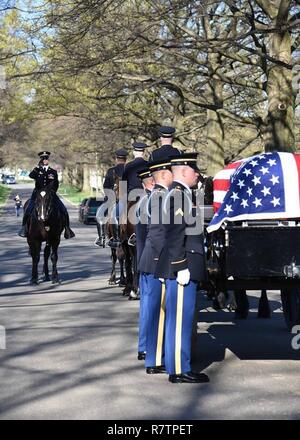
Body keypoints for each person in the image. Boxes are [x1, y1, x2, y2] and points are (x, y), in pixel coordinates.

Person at [155, 153, 209, 384]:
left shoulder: (183, 194)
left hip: (184, 262)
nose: (198, 174)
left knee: (180, 319)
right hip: (182, 265)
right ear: (185, 171)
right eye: (194, 170)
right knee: (180, 320)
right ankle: (179, 370)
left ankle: (176, 365)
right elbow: (175, 233)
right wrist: (181, 266)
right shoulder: (178, 196)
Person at [138, 157, 174, 372]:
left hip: (146, 259)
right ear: (161, 175)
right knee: (155, 312)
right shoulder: (160, 198)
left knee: (149, 310)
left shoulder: (151, 197)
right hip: (154, 261)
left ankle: (147, 350)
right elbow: (159, 235)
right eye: (170, 172)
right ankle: (153, 357)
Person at [18, 151, 75, 239]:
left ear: (48, 160)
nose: (45, 160)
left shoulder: (53, 172)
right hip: (37, 193)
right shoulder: (37, 170)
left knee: (63, 208)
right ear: (41, 160)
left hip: (50, 193)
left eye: (46, 159)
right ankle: (24, 227)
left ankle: (67, 229)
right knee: (29, 208)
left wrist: (52, 192)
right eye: (43, 159)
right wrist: (37, 168)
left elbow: (56, 183)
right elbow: (31, 176)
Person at [135, 167, 155, 360]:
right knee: (149, 306)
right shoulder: (149, 202)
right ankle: (147, 347)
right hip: (150, 263)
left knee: (146, 306)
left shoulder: (143, 201)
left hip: (143, 261)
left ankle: (144, 346)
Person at [95, 148, 128, 247]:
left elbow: (106, 187)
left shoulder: (110, 171)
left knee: (99, 214)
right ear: (125, 159)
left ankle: (102, 238)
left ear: (116, 158)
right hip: (128, 198)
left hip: (113, 199)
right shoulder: (129, 169)